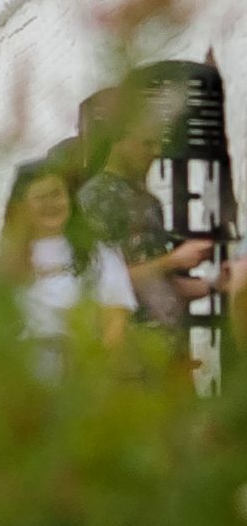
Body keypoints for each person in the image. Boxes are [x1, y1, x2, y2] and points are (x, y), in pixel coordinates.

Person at [75, 101, 215, 346]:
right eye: (147, 143)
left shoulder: (149, 201)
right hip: (127, 354)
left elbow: (155, 284)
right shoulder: (96, 198)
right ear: (119, 142)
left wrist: (213, 284)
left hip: (166, 351)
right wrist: (175, 260)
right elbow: (100, 285)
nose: (157, 151)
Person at [1, 155, 134, 352]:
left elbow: (115, 322)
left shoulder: (100, 255)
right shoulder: (4, 260)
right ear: (22, 207)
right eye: (40, 198)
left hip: (82, 364)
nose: (50, 204)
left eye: (56, 195)